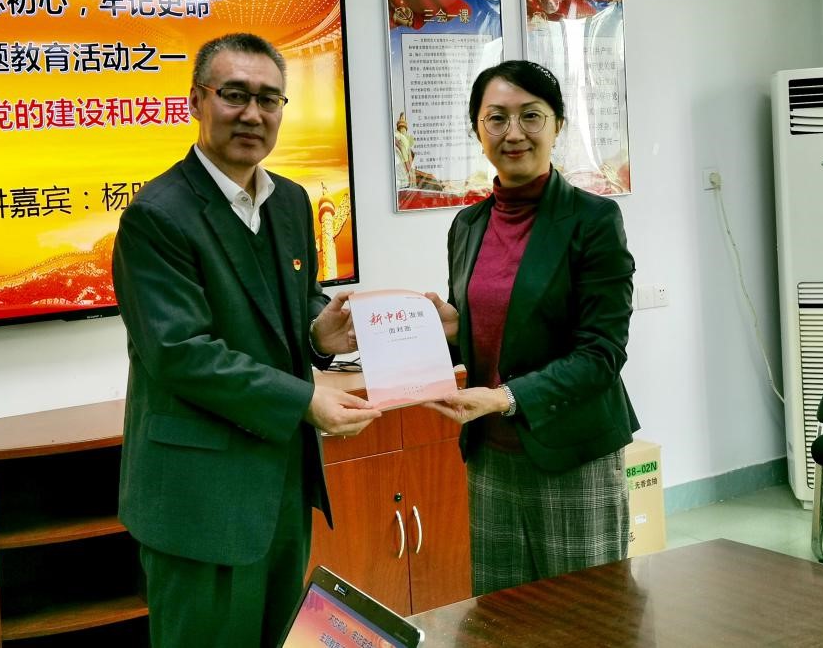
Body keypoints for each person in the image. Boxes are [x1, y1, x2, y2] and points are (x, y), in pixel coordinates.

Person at [112, 32, 381, 647]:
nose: (253, 114)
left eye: (269, 99)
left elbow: (290, 305)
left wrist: (318, 331)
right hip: (200, 497)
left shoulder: (290, 201)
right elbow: (181, 353)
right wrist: (305, 399)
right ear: (196, 101)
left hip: (281, 481)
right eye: (234, 95)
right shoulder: (158, 215)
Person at [424, 59, 638, 594]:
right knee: (501, 613)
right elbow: (495, 331)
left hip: (572, 452)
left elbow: (601, 354)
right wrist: (454, 330)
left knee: (586, 616)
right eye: (496, 118)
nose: (513, 133)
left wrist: (505, 398)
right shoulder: (467, 224)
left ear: (557, 125)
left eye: (531, 116)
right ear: (478, 131)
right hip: (491, 456)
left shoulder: (593, 220)